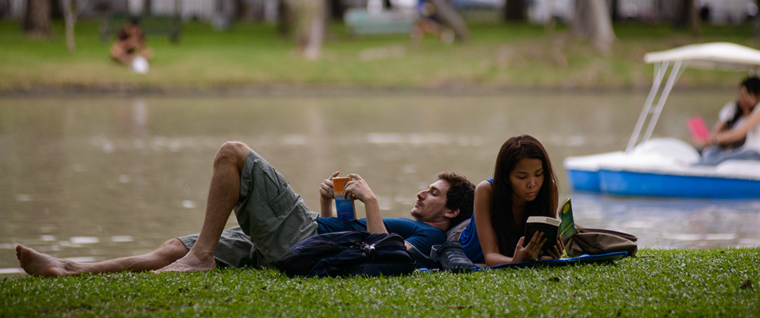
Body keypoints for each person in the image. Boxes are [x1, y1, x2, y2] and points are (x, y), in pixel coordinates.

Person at [16, 141, 474, 277]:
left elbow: (383, 255)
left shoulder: (431, 239)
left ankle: (201, 258)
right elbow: (346, 237)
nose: (421, 194)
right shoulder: (422, 223)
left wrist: (371, 200)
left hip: (302, 241)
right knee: (168, 249)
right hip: (306, 240)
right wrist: (328, 202)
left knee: (233, 154)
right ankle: (72, 268)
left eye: (432, 193)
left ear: (450, 213)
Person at [458, 135, 563, 266]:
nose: (532, 183)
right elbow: (490, 256)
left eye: (538, 174)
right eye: (522, 177)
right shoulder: (486, 191)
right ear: (506, 177)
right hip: (468, 250)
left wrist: (552, 253)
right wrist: (516, 261)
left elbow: (542, 254)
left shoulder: (549, 188)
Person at [695, 76, 760, 165]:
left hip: (752, 152)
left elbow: (739, 134)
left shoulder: (758, 110)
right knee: (706, 151)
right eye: (740, 94)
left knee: (718, 159)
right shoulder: (732, 110)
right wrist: (706, 139)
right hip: (733, 150)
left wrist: (713, 140)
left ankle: (693, 168)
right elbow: (716, 131)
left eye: (746, 94)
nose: (742, 98)